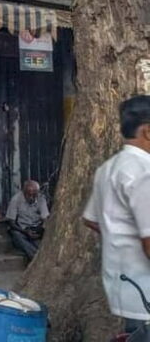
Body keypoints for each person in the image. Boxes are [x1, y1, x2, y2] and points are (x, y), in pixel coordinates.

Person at [83, 95, 150, 339]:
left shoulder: (108, 168)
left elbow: (91, 219)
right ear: (148, 132)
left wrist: (121, 235)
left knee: (135, 332)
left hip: (122, 280)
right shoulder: (144, 172)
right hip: (144, 284)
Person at [6, 180, 50, 262]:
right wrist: (25, 232)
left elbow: (45, 219)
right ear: (23, 192)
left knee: (43, 239)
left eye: (34, 195)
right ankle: (35, 257)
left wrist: (41, 230)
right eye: (29, 195)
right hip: (22, 229)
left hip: (36, 228)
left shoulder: (41, 199)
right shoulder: (16, 199)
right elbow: (11, 222)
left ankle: (39, 254)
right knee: (17, 236)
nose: (32, 198)